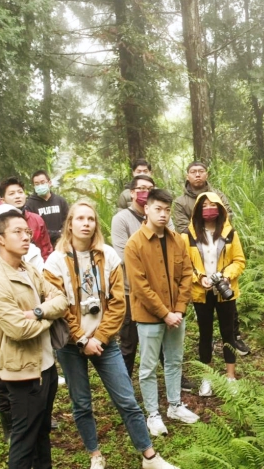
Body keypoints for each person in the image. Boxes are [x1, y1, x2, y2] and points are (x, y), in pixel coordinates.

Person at [43, 201, 178, 469]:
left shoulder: (108, 256)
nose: (85, 223)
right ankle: (95, 455)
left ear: (96, 224)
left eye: (90, 219)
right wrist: (82, 338)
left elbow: (118, 304)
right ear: (69, 224)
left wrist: (100, 338)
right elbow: (57, 305)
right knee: (81, 402)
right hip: (70, 344)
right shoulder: (55, 261)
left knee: (127, 399)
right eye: (79, 218)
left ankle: (149, 456)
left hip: (105, 342)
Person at [0, 210, 69, 469]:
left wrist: (39, 311)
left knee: (42, 432)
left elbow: (60, 299)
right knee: (24, 438)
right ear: (0, 239)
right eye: (17, 232)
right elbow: (17, 330)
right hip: (22, 372)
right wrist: (50, 316)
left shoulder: (28, 268)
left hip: (46, 366)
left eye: (27, 232)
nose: (25, 236)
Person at [124, 189, 199, 436]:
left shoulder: (177, 239)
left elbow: (187, 274)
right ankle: (153, 414)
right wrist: (165, 313)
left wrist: (178, 309)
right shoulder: (135, 243)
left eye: (167, 209)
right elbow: (139, 285)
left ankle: (175, 405)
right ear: (146, 209)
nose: (163, 214)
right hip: (149, 317)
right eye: (158, 208)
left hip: (176, 315)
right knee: (147, 368)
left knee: (174, 361)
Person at [172, 161, 250, 357]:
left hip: (221, 258)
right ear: (187, 175)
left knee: (228, 323)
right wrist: (197, 230)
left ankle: (233, 347)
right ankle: (207, 363)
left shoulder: (219, 196)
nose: (197, 175)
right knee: (204, 329)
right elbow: (182, 226)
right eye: (193, 171)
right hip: (198, 267)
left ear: (206, 174)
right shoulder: (180, 202)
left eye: (201, 171)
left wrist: (217, 228)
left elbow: (228, 215)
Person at [184, 192, 246, 397]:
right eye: (204, 206)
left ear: (219, 208)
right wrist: (199, 277)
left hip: (225, 291)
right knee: (205, 335)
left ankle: (230, 377)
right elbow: (185, 264)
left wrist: (226, 277)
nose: (208, 209)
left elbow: (239, 260)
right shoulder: (189, 235)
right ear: (198, 210)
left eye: (212, 205)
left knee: (228, 333)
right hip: (201, 292)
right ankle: (207, 378)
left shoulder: (229, 233)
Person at [111, 174, 156, 375]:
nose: (145, 193)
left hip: (159, 290)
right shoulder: (121, 219)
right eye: (141, 189)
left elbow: (172, 250)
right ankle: (124, 384)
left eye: (149, 189)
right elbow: (124, 256)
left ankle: (177, 381)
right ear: (132, 193)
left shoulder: (160, 216)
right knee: (129, 342)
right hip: (130, 291)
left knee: (163, 338)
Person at [0, 177, 54, 261]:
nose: (17, 196)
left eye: (20, 192)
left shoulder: (37, 220)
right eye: (12, 193)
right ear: (2, 200)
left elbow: (46, 250)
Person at [25, 170, 70, 246]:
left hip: (61, 243)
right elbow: (33, 228)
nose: (40, 185)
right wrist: (56, 234)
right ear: (34, 186)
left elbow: (68, 221)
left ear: (49, 183)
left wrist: (63, 233)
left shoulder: (60, 201)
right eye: (37, 184)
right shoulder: (30, 204)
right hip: (42, 246)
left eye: (42, 182)